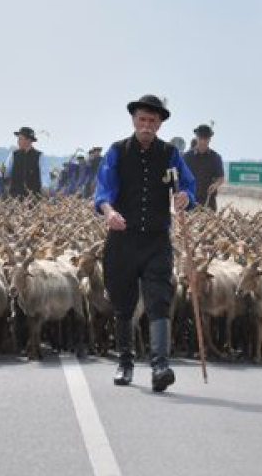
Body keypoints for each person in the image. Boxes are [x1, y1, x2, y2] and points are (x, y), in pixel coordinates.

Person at [94, 94, 196, 392]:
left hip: (156, 241)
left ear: (160, 124)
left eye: (152, 121)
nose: (147, 125)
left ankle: (160, 366)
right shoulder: (116, 152)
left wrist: (185, 197)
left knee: (158, 301)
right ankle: (125, 363)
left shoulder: (170, 155)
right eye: (142, 120)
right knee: (123, 304)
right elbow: (103, 191)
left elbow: (188, 185)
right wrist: (109, 212)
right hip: (122, 240)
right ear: (134, 120)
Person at [183, 124, 224, 211]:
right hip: (189, 202)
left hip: (208, 203)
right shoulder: (186, 156)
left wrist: (215, 185)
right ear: (196, 138)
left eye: (205, 139)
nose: (203, 142)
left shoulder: (215, 157)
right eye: (200, 138)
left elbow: (221, 178)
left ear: (209, 139)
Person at [5, 126, 44, 199]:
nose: (18, 141)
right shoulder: (13, 155)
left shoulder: (39, 156)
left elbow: (44, 174)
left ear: (28, 140)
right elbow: (6, 172)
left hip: (33, 197)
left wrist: (45, 187)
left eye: (20, 139)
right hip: (15, 197)